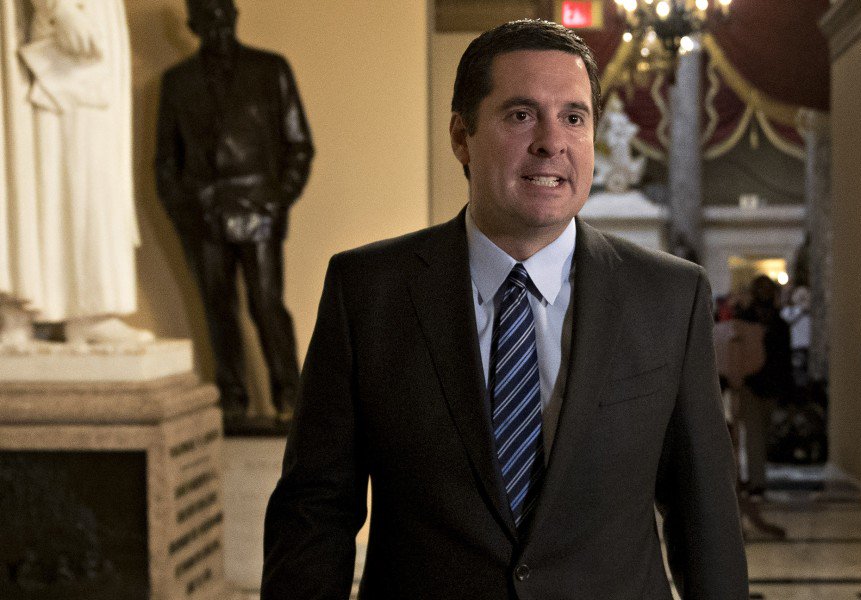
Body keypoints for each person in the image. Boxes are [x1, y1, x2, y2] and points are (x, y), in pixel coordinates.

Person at [261, 19, 747, 600]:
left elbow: (705, 518)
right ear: (460, 136)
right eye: (521, 115)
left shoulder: (669, 297)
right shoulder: (368, 292)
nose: (552, 141)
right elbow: (315, 512)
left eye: (574, 117)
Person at [155, 0, 314, 426]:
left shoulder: (270, 69)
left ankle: (291, 397)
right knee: (218, 309)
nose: (219, 26)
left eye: (224, 15)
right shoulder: (178, 82)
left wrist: (276, 200)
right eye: (209, 19)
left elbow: (299, 145)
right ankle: (231, 401)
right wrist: (185, 211)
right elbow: (166, 162)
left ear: (235, 16)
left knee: (266, 304)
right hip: (203, 215)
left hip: (259, 209)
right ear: (193, 25)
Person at [1, 0, 149, 345]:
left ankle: (87, 307)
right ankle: (25, 308)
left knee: (87, 163)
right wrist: (60, 8)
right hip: (60, 28)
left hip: (86, 20)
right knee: (58, 157)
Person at [734, 275, 792, 498]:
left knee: (763, 435)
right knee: (754, 436)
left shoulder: (779, 324)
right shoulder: (745, 321)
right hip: (750, 384)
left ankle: (758, 479)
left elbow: (784, 359)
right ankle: (757, 481)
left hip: (770, 385)